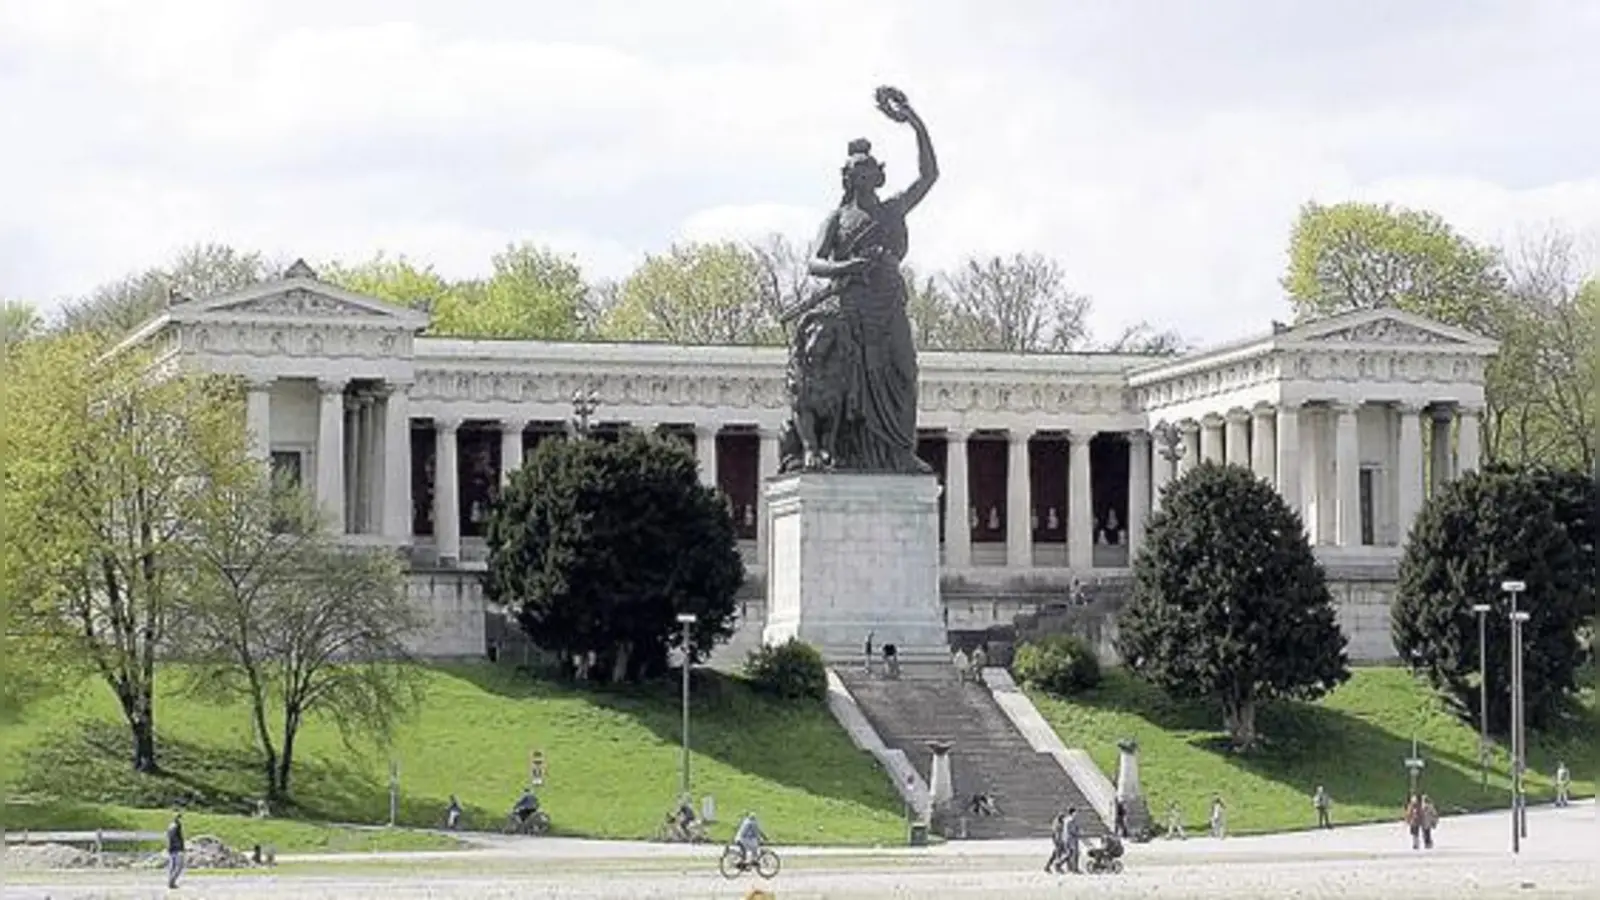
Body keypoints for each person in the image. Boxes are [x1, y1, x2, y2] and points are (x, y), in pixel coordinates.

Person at [796, 86, 939, 475]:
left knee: (904, 373)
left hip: (889, 303)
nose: (867, 173)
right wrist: (848, 267)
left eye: (872, 168)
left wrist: (914, 122)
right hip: (854, 310)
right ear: (850, 178)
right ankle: (847, 452)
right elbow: (814, 263)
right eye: (860, 170)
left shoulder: (894, 209)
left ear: (878, 175)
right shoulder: (837, 220)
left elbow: (930, 175)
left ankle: (899, 451)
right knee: (853, 387)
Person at [165, 810, 186, 889]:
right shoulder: (177, 825)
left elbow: (169, 838)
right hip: (177, 848)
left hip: (171, 848)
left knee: (172, 866)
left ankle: (171, 882)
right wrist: (181, 848)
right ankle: (171, 881)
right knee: (179, 866)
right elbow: (177, 838)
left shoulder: (170, 826)